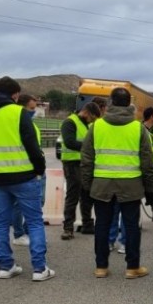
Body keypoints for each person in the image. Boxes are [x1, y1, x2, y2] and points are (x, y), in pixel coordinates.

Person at [0, 76, 54, 282]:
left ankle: (6, 266)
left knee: (0, 222)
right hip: (24, 177)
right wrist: (39, 169)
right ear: (15, 94)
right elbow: (32, 146)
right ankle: (39, 268)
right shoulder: (18, 113)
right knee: (34, 222)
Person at [81, 87, 153, 279]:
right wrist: (150, 190)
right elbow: (147, 162)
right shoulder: (137, 128)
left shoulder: (96, 127)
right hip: (130, 186)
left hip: (102, 185)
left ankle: (101, 267)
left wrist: (87, 185)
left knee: (102, 225)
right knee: (131, 226)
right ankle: (132, 267)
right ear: (129, 103)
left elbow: (87, 158)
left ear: (111, 103)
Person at [60, 102, 101, 240]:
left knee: (87, 194)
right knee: (73, 195)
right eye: (93, 118)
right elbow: (69, 142)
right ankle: (68, 228)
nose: (93, 121)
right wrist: (89, 148)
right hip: (72, 163)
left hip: (86, 163)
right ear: (87, 112)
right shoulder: (70, 122)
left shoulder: (89, 124)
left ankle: (87, 224)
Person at [10, 94, 45, 246]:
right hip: (24, 169)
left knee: (39, 201)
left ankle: (29, 232)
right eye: (31, 108)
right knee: (19, 204)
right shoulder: (17, 123)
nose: (34, 111)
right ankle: (19, 234)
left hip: (35, 167)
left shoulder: (31, 123)